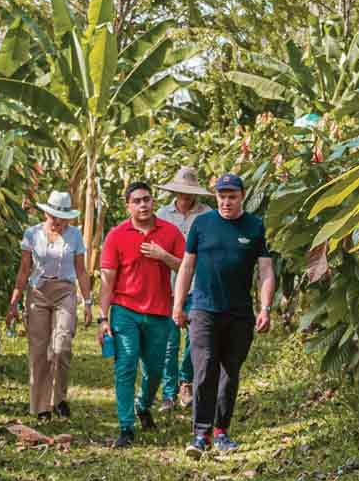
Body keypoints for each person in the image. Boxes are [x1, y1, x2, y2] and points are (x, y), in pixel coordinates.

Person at [173, 173, 275, 456]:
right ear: (216, 197)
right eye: (222, 196)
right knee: (204, 369)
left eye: (232, 196)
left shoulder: (255, 226)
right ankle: (200, 435)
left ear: (242, 195)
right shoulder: (202, 224)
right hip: (204, 310)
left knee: (230, 373)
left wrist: (265, 307)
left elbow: (265, 270)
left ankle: (222, 432)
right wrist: (178, 304)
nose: (226, 201)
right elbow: (187, 266)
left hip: (239, 313)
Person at [97, 180, 185, 448]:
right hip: (126, 311)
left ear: (153, 202)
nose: (143, 204)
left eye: (146, 199)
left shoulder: (170, 232)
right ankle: (126, 427)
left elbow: (185, 267)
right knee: (126, 366)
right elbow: (107, 281)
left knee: (155, 370)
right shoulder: (117, 235)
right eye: (136, 201)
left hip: (160, 311)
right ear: (128, 206)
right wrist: (103, 318)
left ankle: (143, 405)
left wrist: (163, 256)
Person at [8, 191, 92, 422]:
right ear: (46, 213)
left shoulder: (74, 235)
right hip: (38, 292)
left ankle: (58, 398)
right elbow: (24, 270)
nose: (58, 221)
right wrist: (14, 301)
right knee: (39, 351)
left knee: (61, 347)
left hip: (65, 291)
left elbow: (81, 270)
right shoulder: (32, 234)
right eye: (54, 216)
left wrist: (87, 302)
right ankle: (41, 406)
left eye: (63, 218)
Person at [155, 166, 211, 409]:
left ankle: (186, 381)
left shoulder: (207, 215)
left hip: (198, 284)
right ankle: (169, 391)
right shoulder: (162, 214)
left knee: (195, 337)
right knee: (169, 339)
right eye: (181, 192)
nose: (185, 196)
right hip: (167, 285)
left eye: (189, 192)